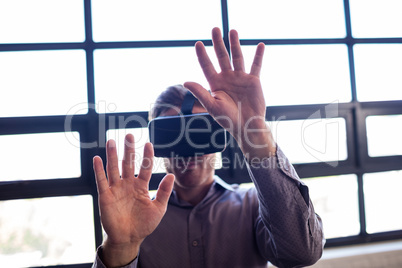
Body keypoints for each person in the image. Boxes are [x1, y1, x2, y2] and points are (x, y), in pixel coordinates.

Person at [92, 28, 325, 268]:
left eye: (199, 131)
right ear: (156, 143)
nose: (188, 148)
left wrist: (254, 134)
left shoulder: (255, 205)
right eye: (172, 134)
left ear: (220, 134)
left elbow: (302, 253)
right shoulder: (136, 217)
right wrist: (120, 248)